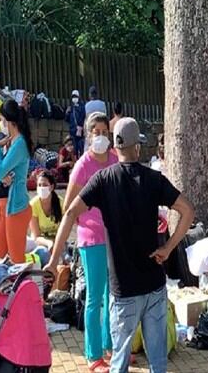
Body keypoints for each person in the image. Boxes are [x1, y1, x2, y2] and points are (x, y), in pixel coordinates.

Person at [45, 117, 195, 373]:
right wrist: (168, 248)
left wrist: (53, 260)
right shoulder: (153, 179)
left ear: (115, 146)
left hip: (123, 291)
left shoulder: (103, 180)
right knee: (158, 363)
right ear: (137, 147)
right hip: (154, 286)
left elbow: (70, 213)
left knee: (119, 363)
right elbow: (188, 211)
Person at [52, 111, 116, 371]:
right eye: (96, 132)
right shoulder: (82, 166)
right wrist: (88, 223)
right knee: (94, 299)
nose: (101, 136)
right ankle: (93, 355)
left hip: (115, 239)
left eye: (104, 132)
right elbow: (68, 208)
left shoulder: (115, 159)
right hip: (92, 240)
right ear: (88, 136)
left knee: (114, 296)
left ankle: (112, 347)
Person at [0, 99, 33, 263]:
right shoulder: (11, 142)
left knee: (16, 259)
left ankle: (23, 288)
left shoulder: (19, 144)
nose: (1, 124)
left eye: (2, 120)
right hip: (5, 206)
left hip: (16, 208)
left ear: (9, 122)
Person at [29, 170, 62, 250]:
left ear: (51, 187)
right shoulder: (33, 205)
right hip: (40, 243)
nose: (41, 188)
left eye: (44, 185)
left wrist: (56, 243)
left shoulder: (61, 203)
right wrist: (49, 243)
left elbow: (63, 231)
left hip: (58, 242)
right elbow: (36, 236)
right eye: (39, 185)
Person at [66, 89, 86, 155]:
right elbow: (67, 119)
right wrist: (67, 113)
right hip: (72, 131)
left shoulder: (82, 106)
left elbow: (83, 117)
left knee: (80, 146)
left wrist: (80, 126)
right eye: (73, 97)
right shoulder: (70, 107)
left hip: (80, 130)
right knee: (74, 148)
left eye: (76, 96)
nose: (74, 98)